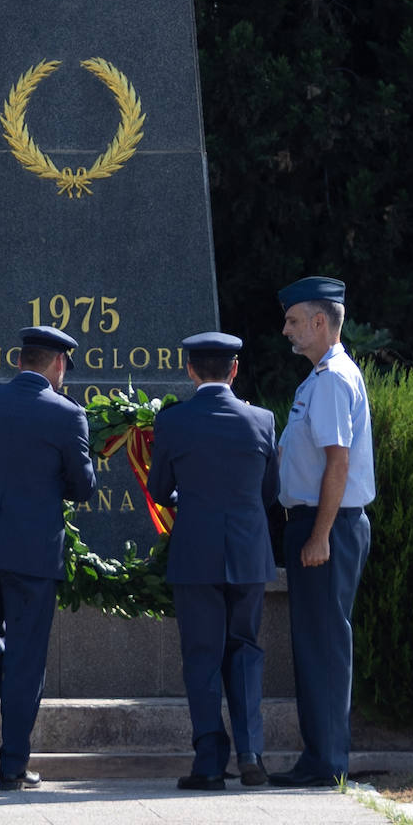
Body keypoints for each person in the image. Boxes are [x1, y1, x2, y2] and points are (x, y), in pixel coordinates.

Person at [0, 326, 97, 790]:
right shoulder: (67, 415)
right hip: (32, 555)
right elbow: (84, 487)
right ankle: (13, 765)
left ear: (20, 362)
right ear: (58, 365)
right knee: (25, 659)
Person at [147, 331, 280, 791]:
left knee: (201, 655)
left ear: (190, 370)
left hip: (196, 553)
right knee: (244, 651)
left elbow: (159, 490)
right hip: (247, 552)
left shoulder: (174, 422)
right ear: (235, 370)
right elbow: (269, 492)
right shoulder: (262, 420)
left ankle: (208, 762)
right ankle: (251, 755)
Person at [271, 277, 376, 787]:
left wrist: (320, 534)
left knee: (326, 643)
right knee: (314, 642)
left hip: (325, 525)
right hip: (314, 523)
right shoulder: (319, 378)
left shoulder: (332, 378)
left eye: (293, 320)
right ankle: (320, 757)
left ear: (318, 321)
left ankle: (328, 762)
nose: (286, 329)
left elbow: (339, 462)